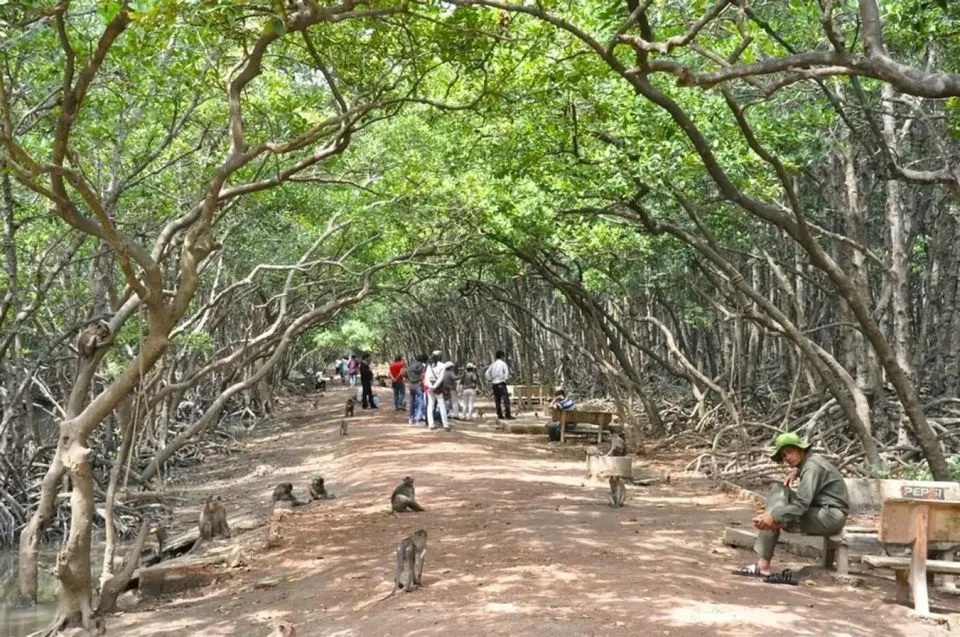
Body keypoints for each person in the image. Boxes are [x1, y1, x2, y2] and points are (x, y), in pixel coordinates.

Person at [733, 432, 848, 584]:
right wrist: (797, 471)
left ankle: (764, 561)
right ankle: (770, 537)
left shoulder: (811, 467)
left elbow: (802, 504)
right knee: (778, 489)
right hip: (822, 510)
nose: (786, 457)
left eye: (789, 452)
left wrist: (774, 516)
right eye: (783, 454)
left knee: (777, 515)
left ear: (801, 450)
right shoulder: (809, 464)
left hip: (830, 516)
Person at [484, 350, 513, 420]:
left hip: (494, 384)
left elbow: (487, 373)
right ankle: (507, 414)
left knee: (497, 400)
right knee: (505, 399)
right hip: (501, 383)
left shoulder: (492, 365)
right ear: (502, 356)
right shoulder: (503, 364)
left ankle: (499, 415)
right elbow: (506, 372)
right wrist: (505, 379)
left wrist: (490, 379)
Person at [425, 351, 450, 431]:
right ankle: (446, 425)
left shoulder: (429, 365)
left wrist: (430, 386)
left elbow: (426, 377)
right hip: (438, 388)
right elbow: (441, 378)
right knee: (442, 405)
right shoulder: (442, 366)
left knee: (430, 405)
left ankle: (431, 424)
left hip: (430, 387)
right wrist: (435, 386)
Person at [405, 354, 427, 425]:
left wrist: (410, 379)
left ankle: (411, 418)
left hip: (411, 385)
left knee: (412, 402)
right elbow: (423, 375)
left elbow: (405, 373)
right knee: (421, 401)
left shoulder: (410, 366)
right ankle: (418, 417)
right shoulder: (422, 366)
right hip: (418, 385)